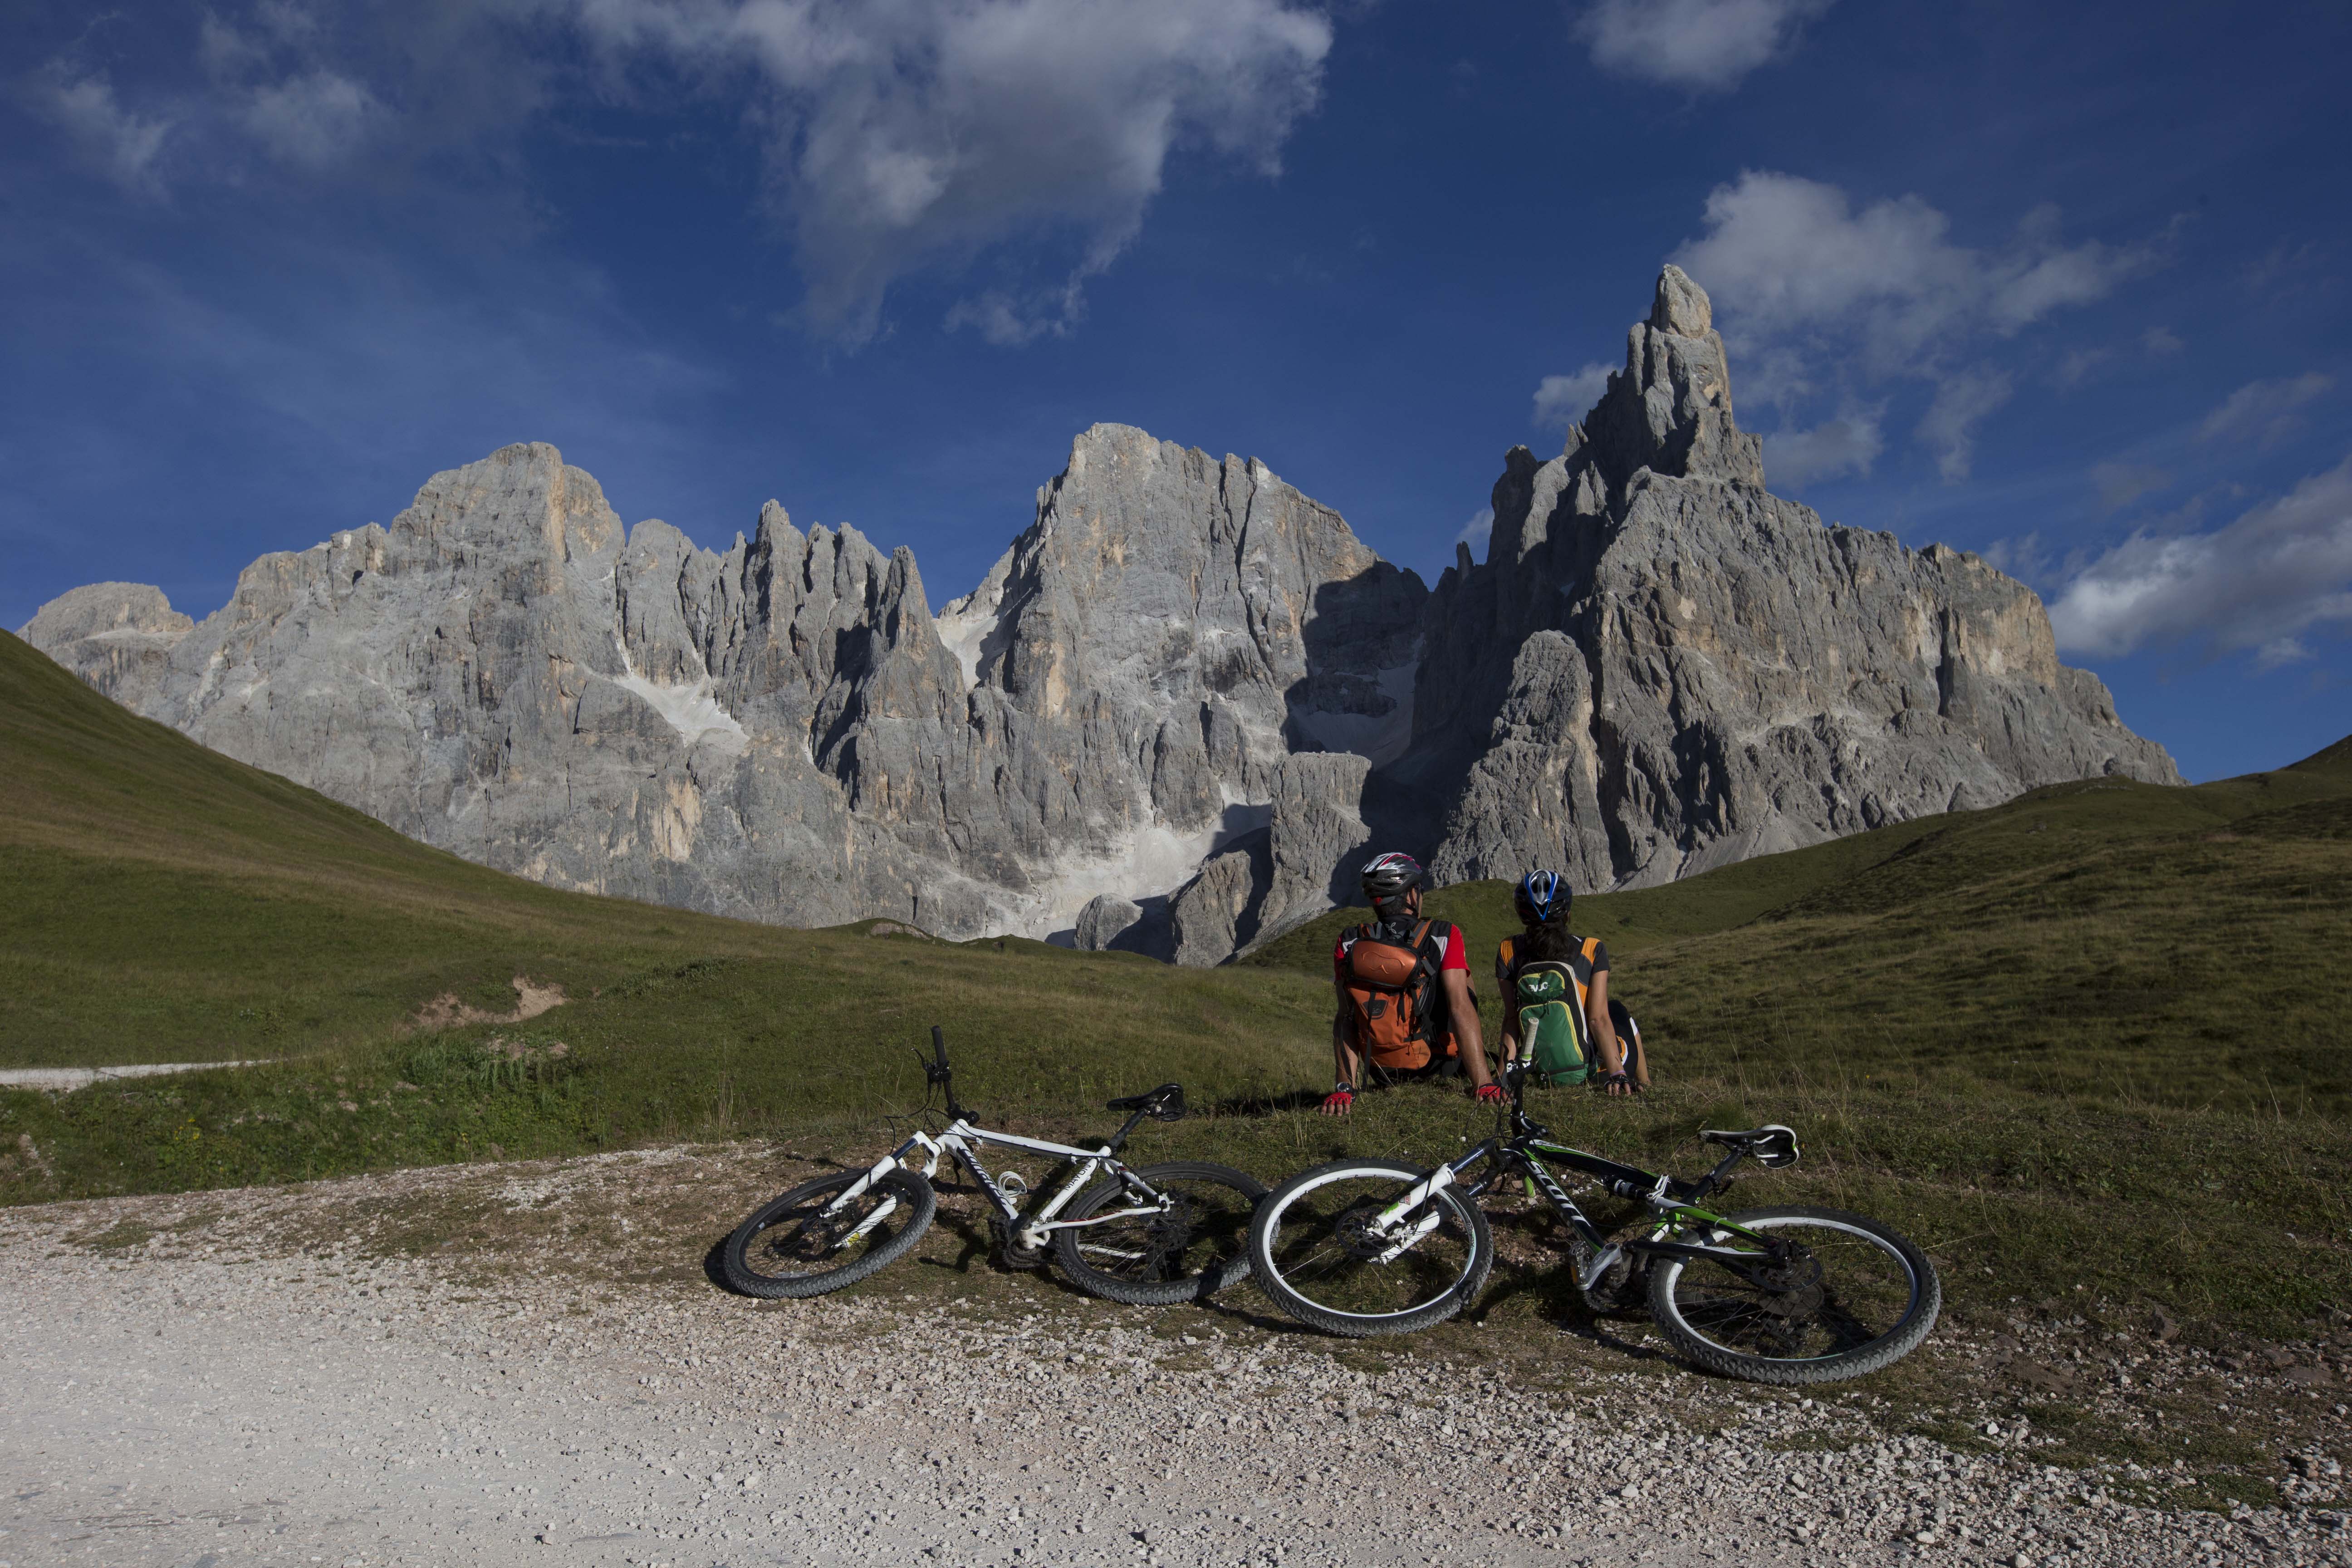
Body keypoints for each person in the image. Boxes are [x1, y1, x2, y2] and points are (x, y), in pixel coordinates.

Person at [1320, 852, 1502, 1116]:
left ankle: (1349, 1087)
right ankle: (1476, 1078)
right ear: (1410, 895)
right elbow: (1459, 1008)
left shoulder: (1349, 941)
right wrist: (1485, 1084)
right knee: (1464, 983)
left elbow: (1345, 1018)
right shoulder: (1443, 935)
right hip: (1437, 1066)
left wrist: (1344, 1088)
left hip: (1382, 1072)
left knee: (1348, 1011)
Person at [1495, 870, 1639, 1096]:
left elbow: (1512, 1020)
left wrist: (1501, 1081)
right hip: (1594, 1072)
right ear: (1567, 913)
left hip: (1543, 1073)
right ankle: (1645, 1083)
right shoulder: (1592, 949)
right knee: (1618, 1011)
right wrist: (1617, 1074)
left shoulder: (1508, 950)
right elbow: (1598, 1020)